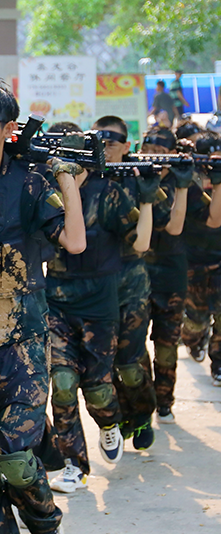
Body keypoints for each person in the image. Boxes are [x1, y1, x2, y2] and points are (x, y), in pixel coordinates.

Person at [0, 80, 86, 534]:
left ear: (9, 130)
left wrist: (66, 178)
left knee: (16, 458)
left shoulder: (29, 182)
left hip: (22, 344)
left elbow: (74, 242)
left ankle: (45, 523)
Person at [42, 121, 154, 494]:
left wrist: (148, 200)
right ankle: (73, 465)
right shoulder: (44, 191)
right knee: (62, 384)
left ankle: (109, 423)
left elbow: (139, 244)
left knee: (98, 389)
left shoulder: (108, 193)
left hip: (99, 305)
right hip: (57, 302)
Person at [94, 116, 174, 450]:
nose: (104, 149)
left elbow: (165, 217)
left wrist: (152, 191)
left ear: (127, 146)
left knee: (131, 359)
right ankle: (118, 418)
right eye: (99, 143)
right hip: (95, 282)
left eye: (111, 144)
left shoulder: (137, 176)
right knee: (102, 362)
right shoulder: (86, 176)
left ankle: (142, 416)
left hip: (131, 280)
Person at [139, 128, 194, 424]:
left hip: (170, 275)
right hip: (137, 275)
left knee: (166, 344)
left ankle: (164, 401)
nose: (152, 156)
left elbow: (175, 227)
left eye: (159, 152)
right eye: (147, 150)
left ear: (172, 154)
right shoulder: (130, 177)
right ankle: (143, 403)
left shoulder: (181, 180)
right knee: (133, 346)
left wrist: (183, 182)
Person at [180, 133, 221, 388]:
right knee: (196, 320)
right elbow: (211, 219)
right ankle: (192, 339)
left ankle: (219, 364)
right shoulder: (188, 182)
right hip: (194, 262)